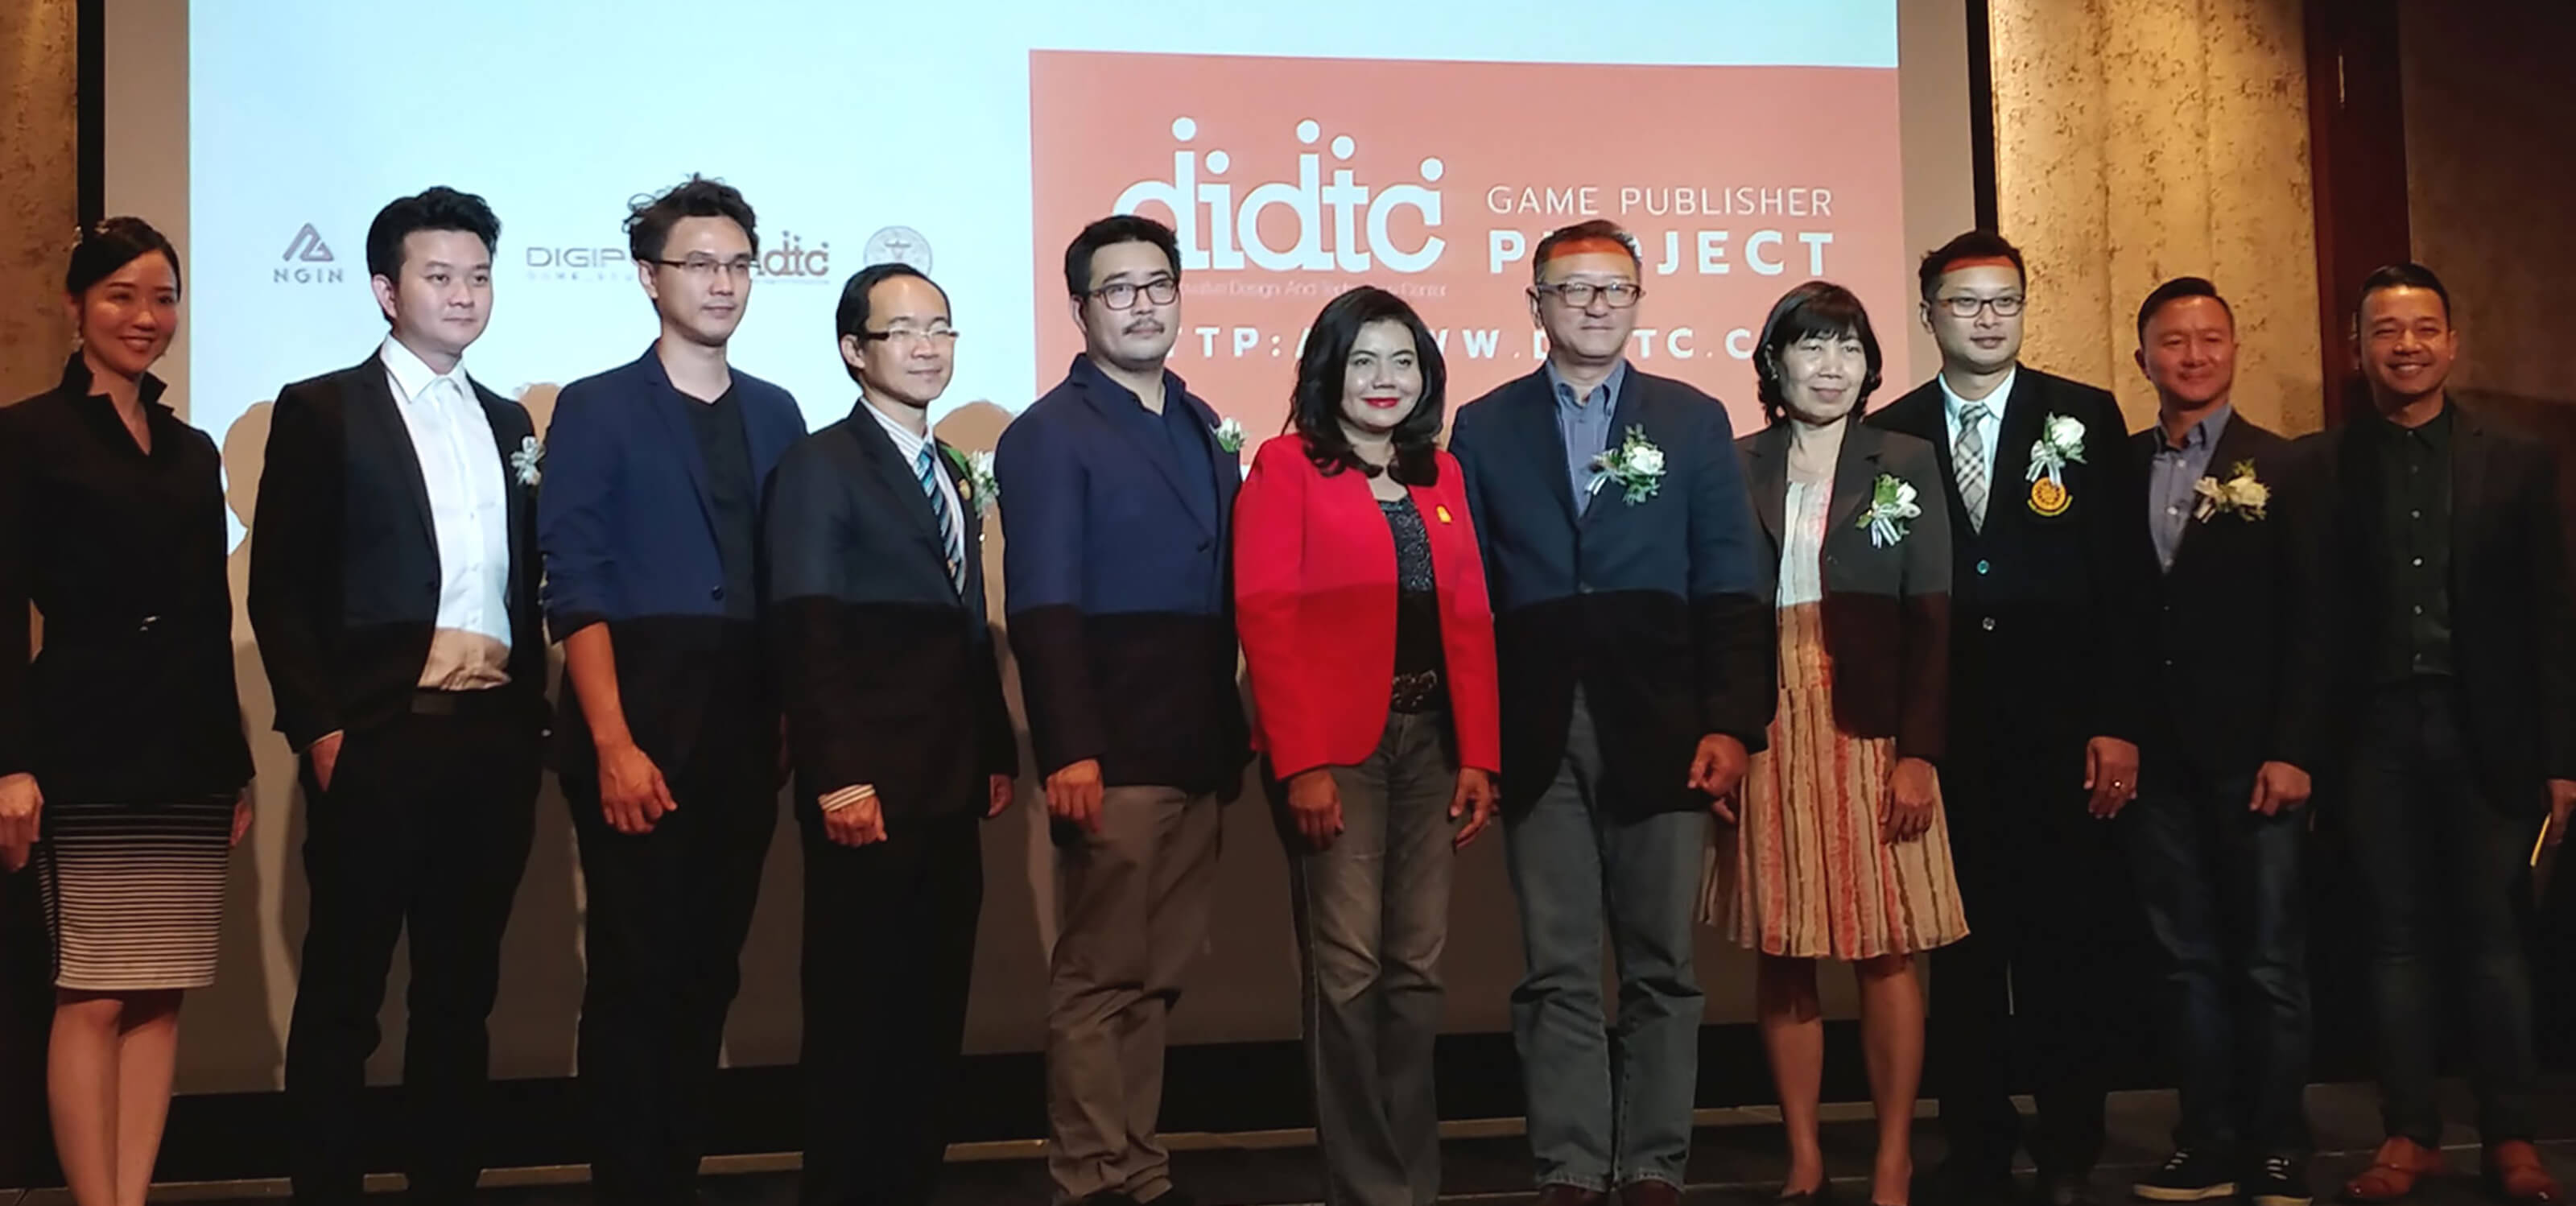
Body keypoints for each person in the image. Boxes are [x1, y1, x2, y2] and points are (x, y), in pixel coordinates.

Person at [1447, 220, 1773, 1206]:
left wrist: (1731, 722)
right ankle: (1572, 1162)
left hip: (1664, 723)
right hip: (1534, 723)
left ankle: (1653, 1163)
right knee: (1554, 966)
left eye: (1613, 289)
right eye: (1572, 289)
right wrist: (1475, 738)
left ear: (1637, 300)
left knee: (1662, 963)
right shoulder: (1482, 423)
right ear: (1534, 302)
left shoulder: (1690, 417)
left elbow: (1729, 583)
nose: (1594, 305)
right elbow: (1471, 593)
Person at [249, 187, 550, 1206]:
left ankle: (443, 1183)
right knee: (344, 996)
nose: (464, 295)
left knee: (460, 996)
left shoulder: (509, 419)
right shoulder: (323, 407)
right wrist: (324, 727)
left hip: (490, 739)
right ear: (386, 290)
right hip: (379, 736)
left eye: (477, 275)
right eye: (438, 275)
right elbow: (279, 586)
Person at [1865, 230, 2153, 1206]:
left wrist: (2117, 720)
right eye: (1964, 304)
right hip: (1945, 737)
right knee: (1961, 952)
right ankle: (1976, 1140)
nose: (1985, 319)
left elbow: (2123, 583)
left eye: (2003, 302)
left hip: (2062, 729)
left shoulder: (2083, 414)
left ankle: (2071, 1137)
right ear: (1927, 316)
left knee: (2065, 942)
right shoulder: (1892, 430)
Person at [539, 175, 807, 1206]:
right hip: (636, 727)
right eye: (699, 263)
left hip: (745, 730)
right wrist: (610, 739)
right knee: (634, 976)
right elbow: (578, 582)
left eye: (738, 263)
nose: (723, 282)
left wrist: (788, 716)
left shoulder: (778, 411)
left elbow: (786, 581)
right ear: (649, 277)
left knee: (708, 976)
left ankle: (679, 1174)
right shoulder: (598, 406)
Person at [2281, 263, 2570, 1206]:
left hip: (2487, 731)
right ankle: (2407, 1132)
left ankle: (2513, 1136)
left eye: (2421, 328)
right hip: (2370, 734)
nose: (2403, 345)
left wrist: (2562, 758)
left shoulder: (2517, 460)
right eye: (2383, 330)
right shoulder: (2320, 464)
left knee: (2493, 942)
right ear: (2353, 346)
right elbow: (2310, 622)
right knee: (2392, 943)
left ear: (2451, 342)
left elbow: (2551, 618)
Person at [997, 213, 1250, 1206]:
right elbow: (1042, 607)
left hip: (1195, 745)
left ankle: (1136, 1165)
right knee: (1102, 977)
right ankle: (1091, 1174)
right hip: (1112, 750)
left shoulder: (1197, 420)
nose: (1142, 303)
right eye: (1118, 289)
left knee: (1157, 977)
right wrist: (1069, 748)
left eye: (1157, 284)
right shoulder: (1048, 433)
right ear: (1079, 308)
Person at [0, 217, 253, 1206]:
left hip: (186, 747)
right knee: (93, 989)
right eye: (121, 296)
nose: (145, 318)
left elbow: (203, 611)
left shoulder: (192, 451)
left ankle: (131, 1197)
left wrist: (233, 762)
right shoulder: (26, 435)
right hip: (84, 741)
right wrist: (10, 760)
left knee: (159, 993)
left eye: (162, 298)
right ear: (74, 306)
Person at [1234, 286, 1503, 1206]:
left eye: (1402, 361)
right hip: (1337, 753)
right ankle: (1365, 1186)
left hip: (1432, 747)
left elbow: (1468, 615)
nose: (1384, 380)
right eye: (1363, 361)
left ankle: (1410, 1181)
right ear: (1327, 371)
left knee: (1416, 971)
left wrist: (1481, 753)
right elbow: (1265, 620)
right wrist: (1298, 763)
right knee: (1346, 973)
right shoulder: (1284, 467)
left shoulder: (1441, 476)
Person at [1706, 281, 1965, 1206]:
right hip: (1768, 723)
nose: (1829, 366)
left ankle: (1891, 1153)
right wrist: (1725, 727)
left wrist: (1919, 751)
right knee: (1784, 945)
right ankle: (1805, 1153)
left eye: (1846, 349)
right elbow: (1720, 611)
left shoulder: (1906, 459)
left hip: (1870, 725)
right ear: (1773, 365)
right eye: (1809, 348)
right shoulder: (1734, 462)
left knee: (1886, 946)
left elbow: (1933, 619)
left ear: (1868, 366)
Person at [764, 262, 1018, 1206]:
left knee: (929, 1011)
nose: (926, 346)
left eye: (941, 328)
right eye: (903, 330)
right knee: (857, 1016)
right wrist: (837, 775)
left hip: (948, 785)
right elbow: (807, 628)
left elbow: (964, 619)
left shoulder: (949, 465)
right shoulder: (819, 465)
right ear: (852, 350)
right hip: (865, 787)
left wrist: (994, 749)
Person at [2117, 278, 2316, 1206]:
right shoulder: (2111, 470)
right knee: (2180, 957)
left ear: (2233, 350)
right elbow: (2105, 617)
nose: (2190, 356)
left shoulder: (2282, 466)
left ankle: (2278, 1143)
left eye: (2207, 340)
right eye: (2171, 341)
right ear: (2141, 357)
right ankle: (2204, 1138)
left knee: (2267, 959)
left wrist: (2292, 745)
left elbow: (2317, 623)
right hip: (2153, 761)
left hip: (2255, 756)